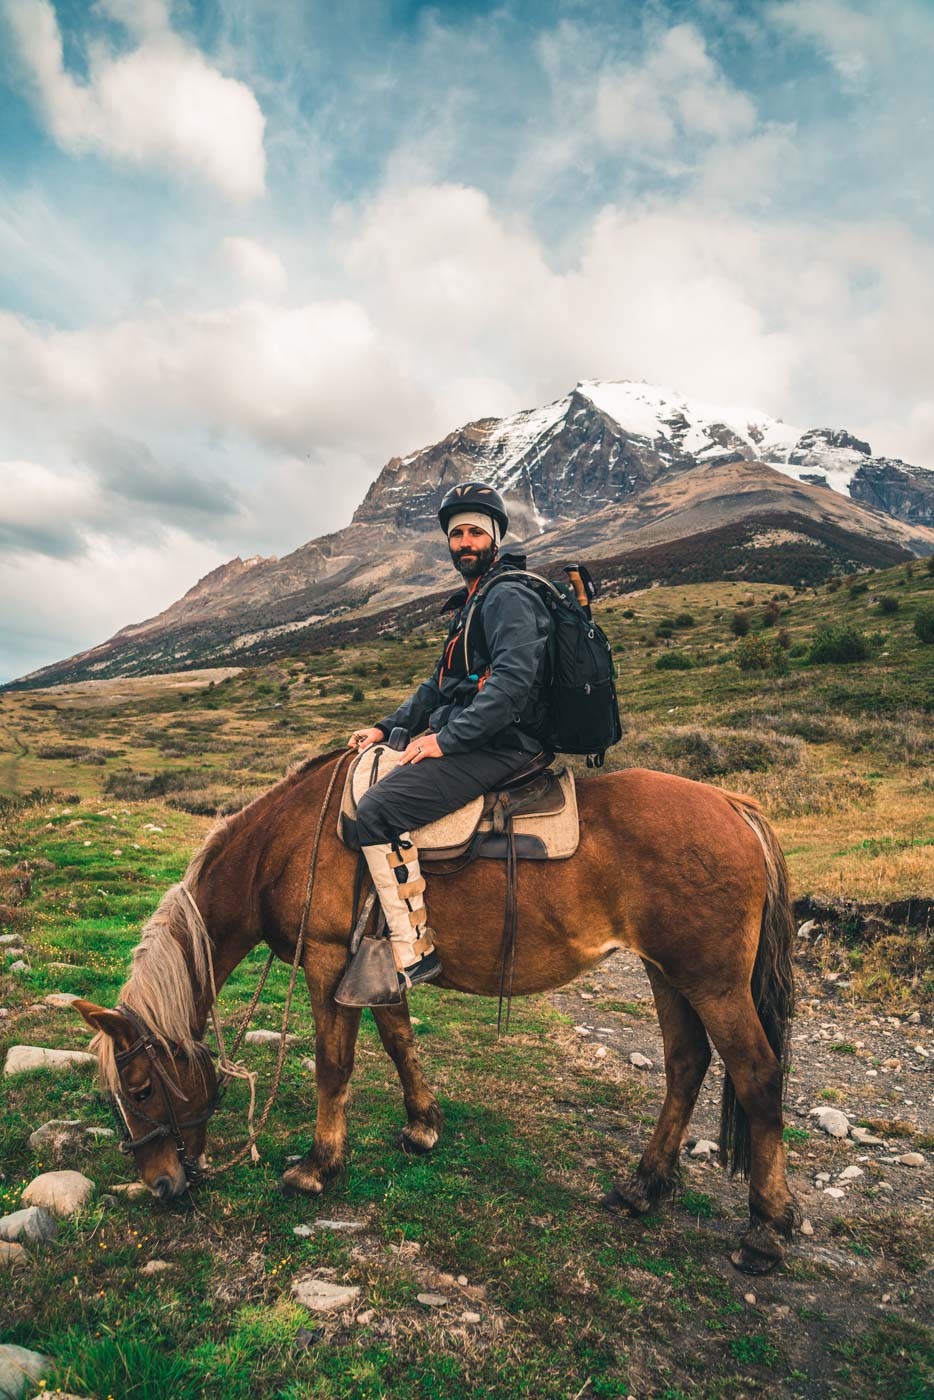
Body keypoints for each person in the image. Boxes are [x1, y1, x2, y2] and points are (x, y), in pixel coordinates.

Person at [347, 481, 552, 991]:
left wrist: (445, 740)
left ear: (495, 539)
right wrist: (385, 725)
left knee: (377, 809)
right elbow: (438, 687)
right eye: (456, 533)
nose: (464, 542)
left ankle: (414, 951)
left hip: (506, 742)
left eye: (474, 533)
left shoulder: (505, 596)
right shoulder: (474, 601)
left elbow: (511, 684)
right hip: (482, 736)